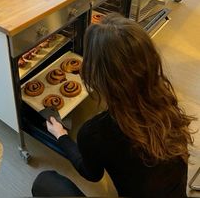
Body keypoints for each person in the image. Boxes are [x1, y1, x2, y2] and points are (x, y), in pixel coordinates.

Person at [32, 13, 195, 198]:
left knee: (44, 182)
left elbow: (92, 174)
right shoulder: (167, 103)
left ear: (95, 75)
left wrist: (61, 136)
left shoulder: (95, 133)